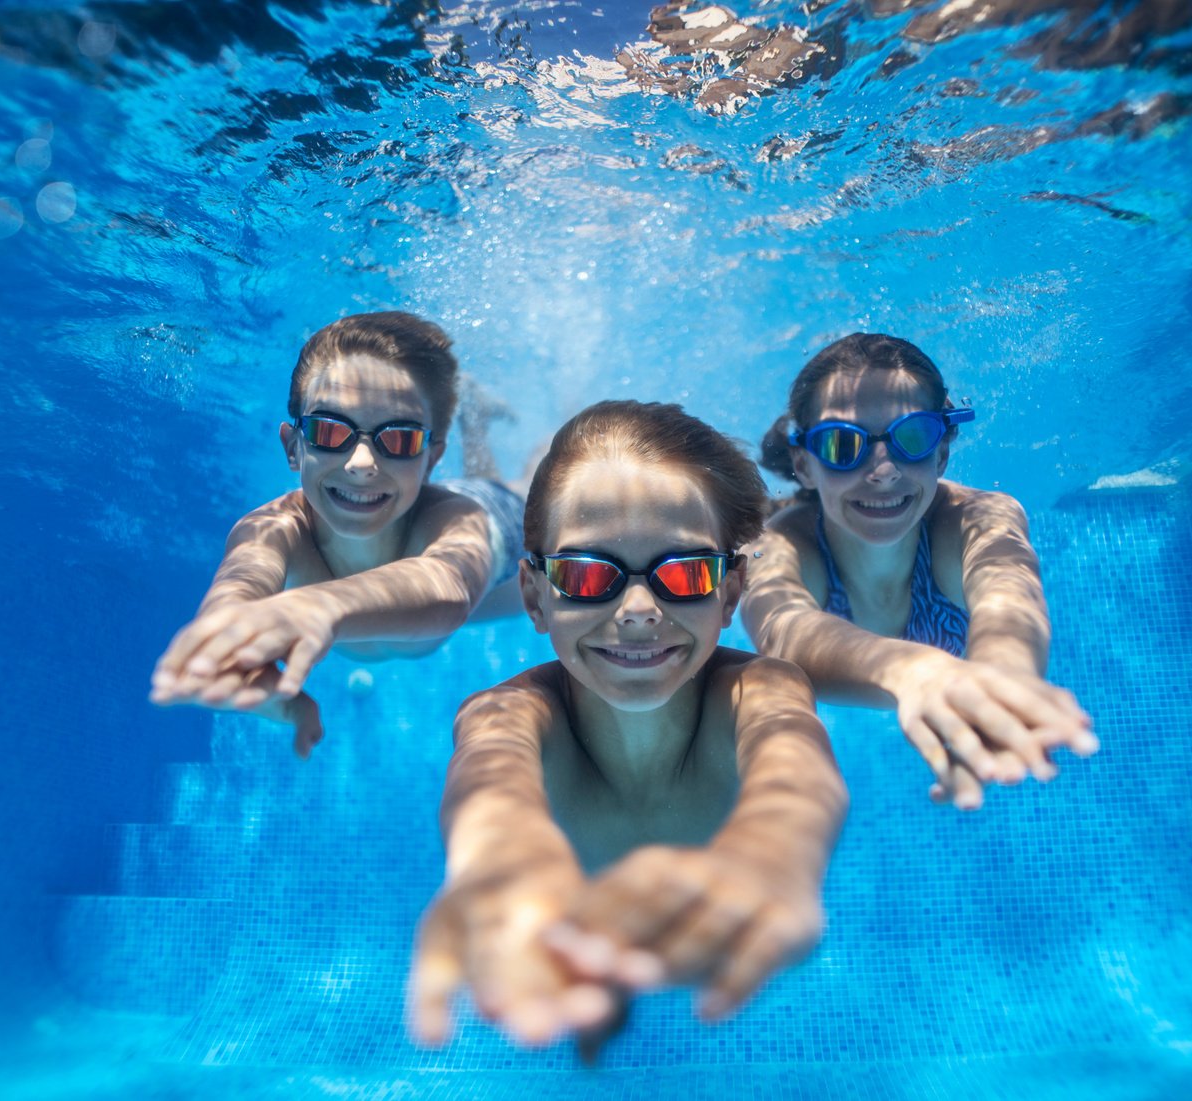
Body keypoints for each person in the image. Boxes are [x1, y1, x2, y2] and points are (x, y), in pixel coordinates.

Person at [410, 400, 848, 1059]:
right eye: (588, 576)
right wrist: (497, 861)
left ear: (730, 594)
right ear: (535, 598)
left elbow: (796, 765)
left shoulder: (758, 689)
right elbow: (489, 779)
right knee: (507, 500)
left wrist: (775, 852)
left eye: (686, 573)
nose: (639, 612)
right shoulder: (509, 713)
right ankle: (480, 425)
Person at [741, 333, 1097, 810]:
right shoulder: (779, 544)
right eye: (842, 446)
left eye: (913, 438)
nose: (884, 471)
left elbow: (1008, 594)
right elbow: (785, 635)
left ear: (942, 454)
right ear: (804, 465)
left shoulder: (979, 519)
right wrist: (913, 671)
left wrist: (1002, 681)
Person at [149, 311, 529, 758]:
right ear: (294, 447)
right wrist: (231, 653)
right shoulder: (273, 529)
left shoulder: (454, 520)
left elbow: (447, 588)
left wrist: (320, 605)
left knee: (530, 484)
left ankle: (477, 418)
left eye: (401, 439)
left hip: (500, 548)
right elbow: (236, 595)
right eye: (330, 431)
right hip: (407, 604)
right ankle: (475, 416)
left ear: (429, 459)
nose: (361, 463)